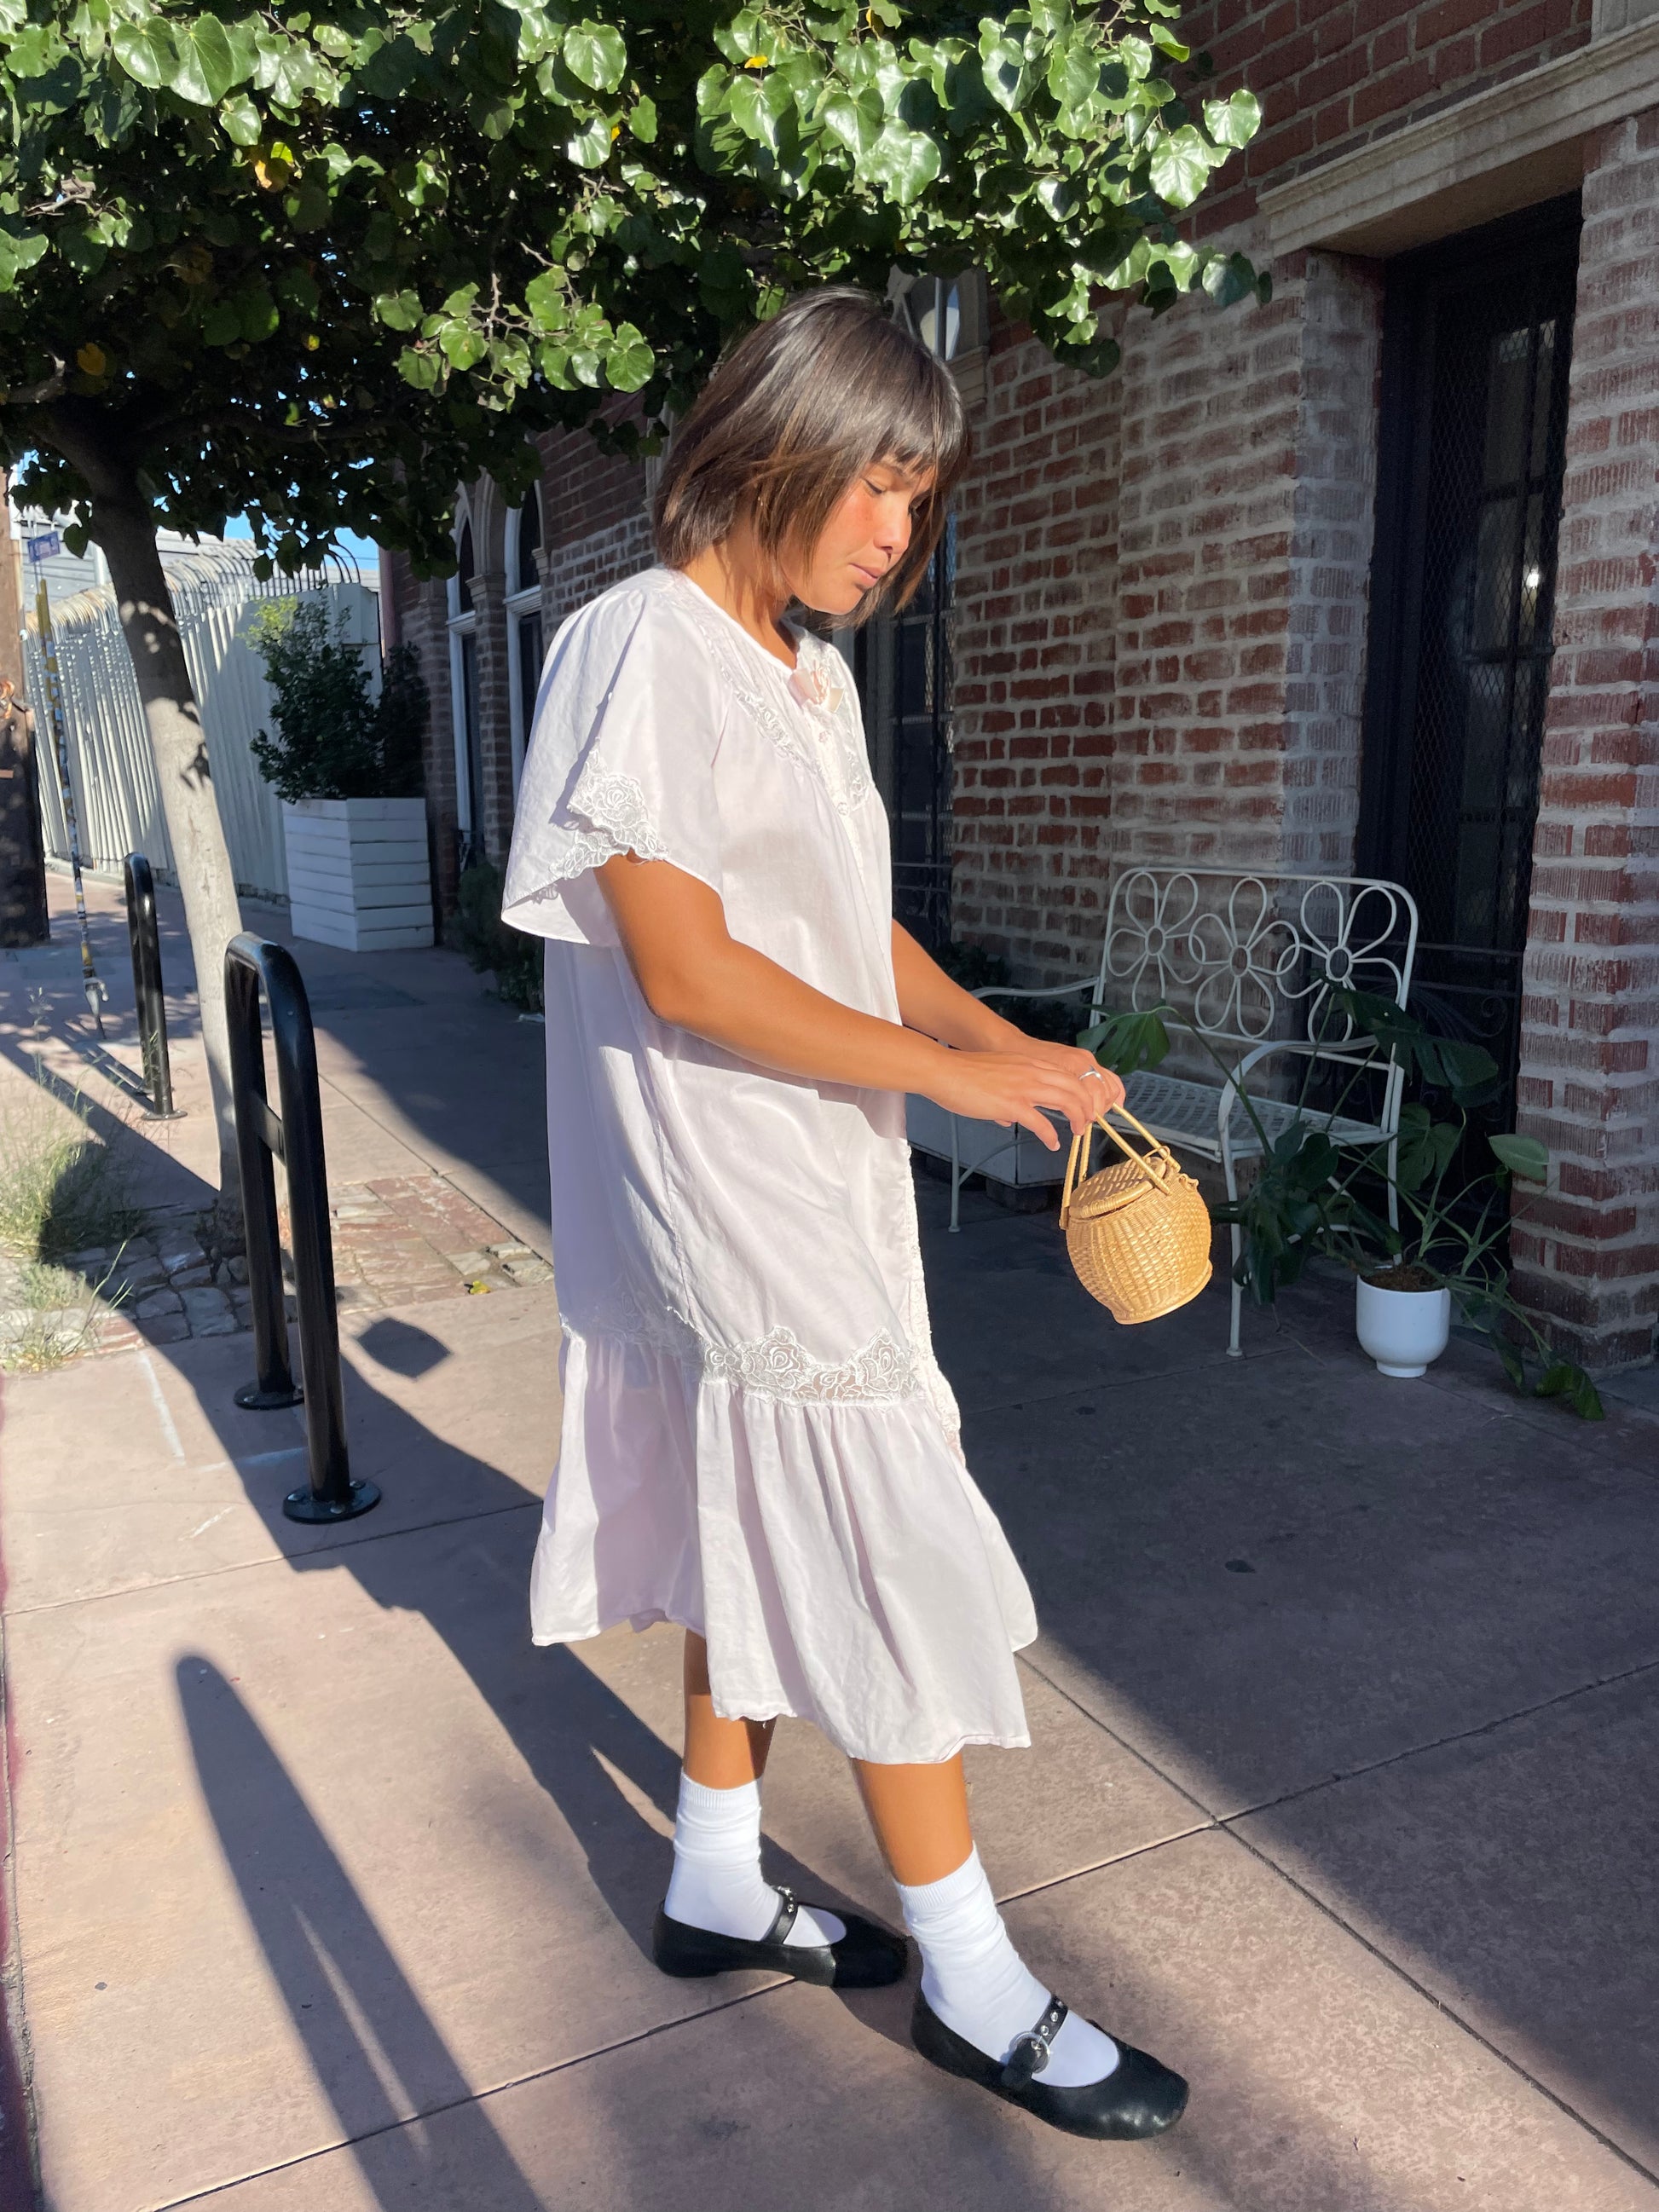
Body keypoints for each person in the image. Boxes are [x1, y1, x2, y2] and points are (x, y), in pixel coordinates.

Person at [501, 286, 1187, 2141]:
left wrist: (997, 1038)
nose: (899, 531)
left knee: (766, 1514)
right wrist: (951, 1082)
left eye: (921, 497)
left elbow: (843, 920)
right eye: (879, 485)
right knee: (879, 1539)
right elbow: (690, 966)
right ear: (771, 450)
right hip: (722, 1177)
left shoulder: (796, 673)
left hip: (808, 1167)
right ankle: (973, 1979)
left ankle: (717, 1868)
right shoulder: (641, 643)